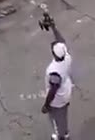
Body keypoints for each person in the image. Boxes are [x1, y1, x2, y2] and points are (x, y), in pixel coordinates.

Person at [39, 9, 73, 140]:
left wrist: (46, 105)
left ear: (54, 54)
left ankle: (61, 136)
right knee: (64, 116)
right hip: (66, 93)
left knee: (56, 119)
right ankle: (65, 133)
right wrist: (53, 27)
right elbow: (61, 40)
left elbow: (53, 90)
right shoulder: (67, 56)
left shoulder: (54, 71)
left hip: (57, 100)